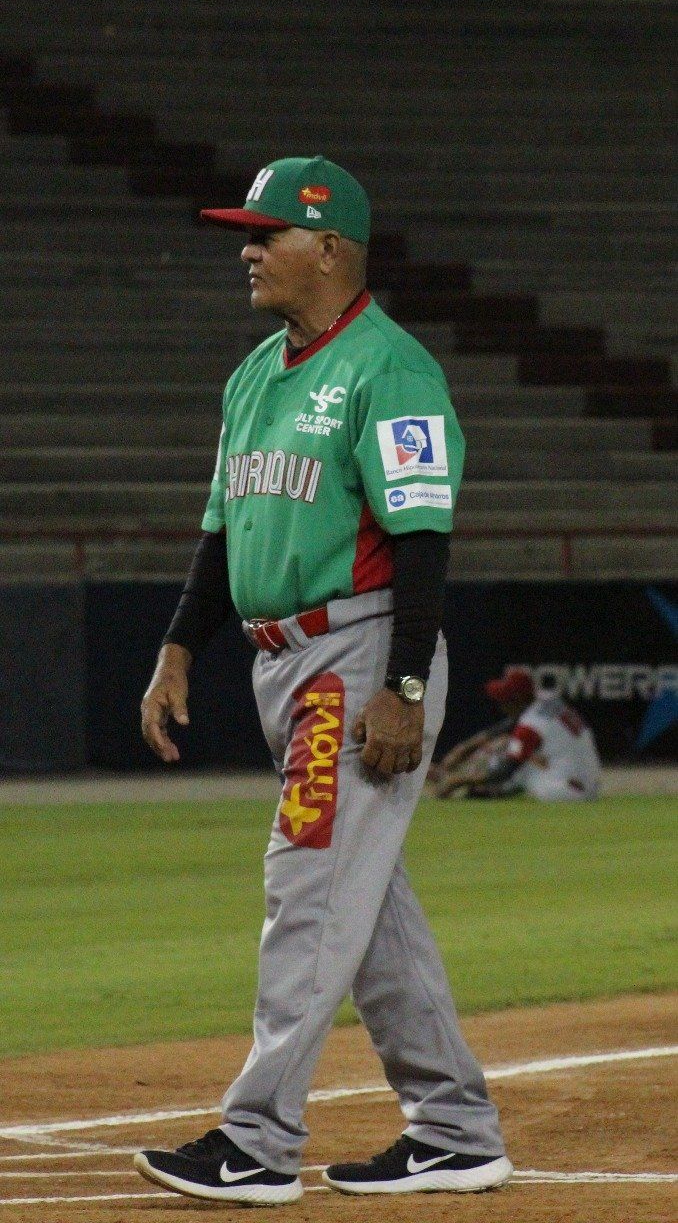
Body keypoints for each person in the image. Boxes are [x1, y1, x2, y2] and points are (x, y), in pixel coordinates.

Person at [135, 155, 512, 1205]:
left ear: (331, 248)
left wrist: (403, 681)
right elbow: (222, 529)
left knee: (308, 880)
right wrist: (177, 646)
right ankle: (455, 1127)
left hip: (360, 654)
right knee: (366, 901)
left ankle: (256, 1141)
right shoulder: (254, 375)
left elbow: (424, 533)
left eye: (266, 234)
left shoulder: (392, 370)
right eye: (245, 234)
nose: (247, 251)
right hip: (281, 658)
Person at [431, 668, 601, 802]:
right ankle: (451, 778)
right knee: (515, 749)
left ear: (516, 700)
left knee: (506, 753)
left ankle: (476, 792)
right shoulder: (546, 699)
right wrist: (461, 751)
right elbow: (503, 728)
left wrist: (457, 781)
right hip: (587, 785)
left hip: (562, 791)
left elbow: (505, 771)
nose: (501, 706)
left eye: (504, 700)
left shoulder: (530, 725)